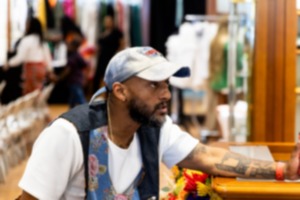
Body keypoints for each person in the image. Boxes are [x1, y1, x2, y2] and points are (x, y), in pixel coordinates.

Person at [17, 47, 300, 200]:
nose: (165, 94)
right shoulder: (70, 135)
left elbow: (209, 157)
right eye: (153, 85)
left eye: (166, 84)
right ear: (120, 91)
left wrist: (283, 170)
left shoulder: (154, 128)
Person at [5, 17, 55, 95]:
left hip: (31, 69)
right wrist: (50, 70)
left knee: (30, 93)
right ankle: (38, 106)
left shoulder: (26, 40)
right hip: (41, 69)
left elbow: (20, 58)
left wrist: (9, 63)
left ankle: (34, 107)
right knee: (38, 92)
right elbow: (47, 58)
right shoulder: (42, 42)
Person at [93, 14, 125, 93]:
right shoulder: (102, 33)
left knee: (110, 77)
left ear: (112, 22)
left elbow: (122, 44)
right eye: (106, 21)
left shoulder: (117, 32)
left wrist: (118, 54)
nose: (107, 23)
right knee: (97, 76)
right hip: (102, 57)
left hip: (111, 57)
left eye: (109, 21)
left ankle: (109, 94)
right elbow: (98, 47)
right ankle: (96, 94)